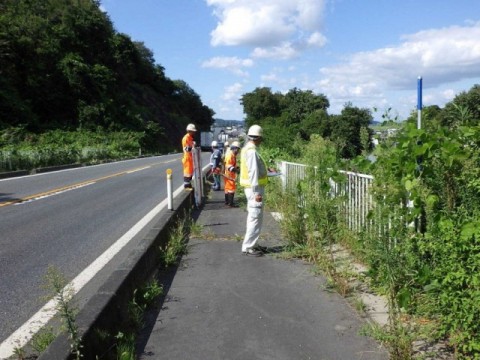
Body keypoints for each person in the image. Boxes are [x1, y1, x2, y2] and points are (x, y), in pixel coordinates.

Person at [239, 125, 268, 257]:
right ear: (259, 138)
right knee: (255, 217)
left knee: (255, 216)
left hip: (251, 188)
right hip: (254, 189)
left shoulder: (247, 149)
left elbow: (255, 170)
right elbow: (253, 172)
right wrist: (257, 193)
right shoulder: (251, 151)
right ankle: (249, 246)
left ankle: (253, 243)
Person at [224, 141, 241, 207]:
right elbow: (228, 166)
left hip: (229, 174)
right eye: (237, 149)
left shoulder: (233, 155)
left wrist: (236, 167)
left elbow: (233, 164)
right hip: (229, 175)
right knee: (231, 189)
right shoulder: (230, 155)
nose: (238, 151)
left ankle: (227, 202)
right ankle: (230, 203)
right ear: (234, 148)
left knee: (227, 188)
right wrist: (236, 170)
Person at [182, 123, 197, 189]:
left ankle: (189, 184)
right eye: (193, 131)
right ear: (189, 131)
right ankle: (187, 185)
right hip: (187, 157)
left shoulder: (190, 138)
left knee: (190, 172)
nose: (194, 132)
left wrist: (193, 145)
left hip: (190, 157)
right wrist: (192, 148)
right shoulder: (186, 138)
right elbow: (186, 148)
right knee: (187, 172)